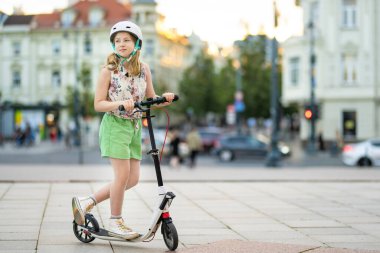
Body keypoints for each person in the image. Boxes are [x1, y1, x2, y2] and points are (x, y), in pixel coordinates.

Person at [71, 20, 175, 240]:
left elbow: (150, 100)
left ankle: (87, 202)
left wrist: (164, 99)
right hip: (114, 125)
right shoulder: (108, 71)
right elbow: (98, 104)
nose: (121, 44)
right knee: (122, 175)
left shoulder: (144, 69)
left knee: (133, 179)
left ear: (137, 44)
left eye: (126, 40)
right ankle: (116, 220)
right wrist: (120, 103)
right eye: (117, 41)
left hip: (135, 126)